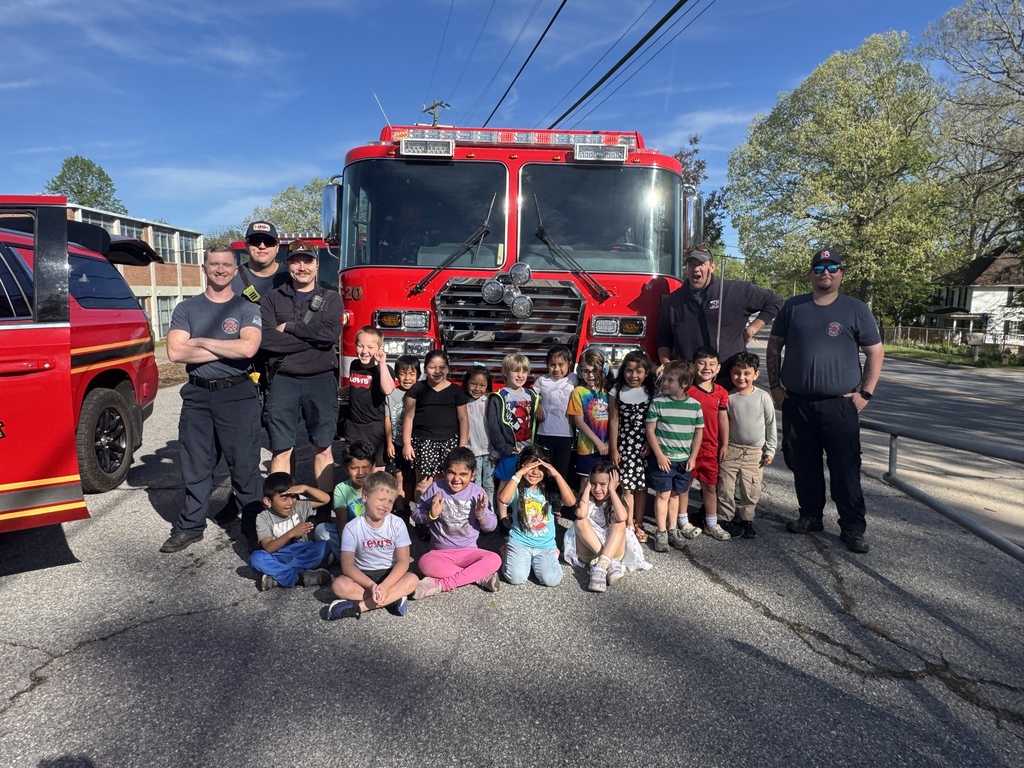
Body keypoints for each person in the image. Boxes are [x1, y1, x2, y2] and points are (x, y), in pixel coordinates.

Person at [767, 249, 884, 554]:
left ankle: (853, 527)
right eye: (819, 267)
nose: (825, 272)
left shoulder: (855, 309)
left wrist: (865, 393)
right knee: (802, 463)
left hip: (839, 405)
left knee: (844, 467)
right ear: (811, 274)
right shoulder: (793, 307)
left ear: (841, 273)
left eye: (832, 267)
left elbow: (875, 352)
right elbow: (773, 347)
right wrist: (775, 384)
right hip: (798, 402)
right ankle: (810, 516)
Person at [160, 244, 263, 553]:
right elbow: (175, 352)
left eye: (226, 265)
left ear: (235, 270)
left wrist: (202, 340)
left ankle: (256, 529)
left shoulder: (247, 307)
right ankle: (191, 526)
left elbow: (248, 350)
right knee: (196, 465)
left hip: (238, 395)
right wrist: (227, 345)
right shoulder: (186, 308)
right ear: (204, 268)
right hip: (198, 396)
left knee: (245, 467)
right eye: (213, 264)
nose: (220, 269)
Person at [259, 246, 344, 494]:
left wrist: (290, 328)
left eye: (307, 262)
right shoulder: (272, 299)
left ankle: (323, 508)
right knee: (281, 448)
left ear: (317, 265)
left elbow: (330, 336)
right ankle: (282, 511)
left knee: (323, 447)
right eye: (296, 262)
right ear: (288, 266)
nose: (302, 267)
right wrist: (312, 340)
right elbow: (265, 340)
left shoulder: (331, 299)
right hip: (282, 380)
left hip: (321, 381)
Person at [656, 244, 783, 384]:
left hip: (731, 382)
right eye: (691, 264)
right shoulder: (673, 302)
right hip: (690, 383)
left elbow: (775, 301)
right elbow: (664, 338)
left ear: (712, 266)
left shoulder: (734, 291)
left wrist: (752, 328)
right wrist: (666, 364)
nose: (696, 269)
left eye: (701, 264)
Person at [325, 471, 419, 620]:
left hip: (390, 574)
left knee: (412, 579)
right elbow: (347, 566)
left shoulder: (397, 523)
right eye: (381, 499)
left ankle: (359, 607)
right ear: (365, 496)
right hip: (363, 576)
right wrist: (371, 586)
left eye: (390, 501)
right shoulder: (352, 527)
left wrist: (386, 585)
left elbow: (403, 561)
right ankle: (392, 599)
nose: (386, 505)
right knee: (338, 585)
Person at [409, 447, 501, 599]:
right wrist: (431, 515)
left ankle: (440, 584)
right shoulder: (436, 488)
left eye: (463, 474)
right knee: (424, 563)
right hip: (440, 552)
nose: (456, 479)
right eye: (452, 472)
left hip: (470, 551)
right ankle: (478, 577)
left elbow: (491, 526)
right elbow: (416, 514)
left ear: (473, 475)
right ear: (445, 471)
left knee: (495, 560)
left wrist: (481, 515)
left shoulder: (478, 492)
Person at [645, 359, 704, 553]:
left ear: (684, 383)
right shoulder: (658, 403)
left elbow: (698, 433)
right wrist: (659, 455)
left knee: (676, 494)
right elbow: (650, 430)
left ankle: (673, 528)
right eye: (664, 379)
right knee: (662, 494)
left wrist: (693, 457)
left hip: (684, 460)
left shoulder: (695, 406)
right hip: (664, 459)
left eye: (670, 380)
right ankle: (661, 531)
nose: (664, 383)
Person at [563, 462, 651, 592]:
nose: (597, 489)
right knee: (579, 522)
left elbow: (622, 517)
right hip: (589, 550)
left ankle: (601, 566)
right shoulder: (587, 500)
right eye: (593, 483)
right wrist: (587, 489)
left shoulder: (617, 500)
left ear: (613, 484)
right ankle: (607, 563)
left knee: (620, 523)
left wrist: (612, 490)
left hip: (614, 550)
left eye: (603, 484)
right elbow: (581, 514)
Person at [717, 352, 776, 539]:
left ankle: (746, 520)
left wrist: (770, 449)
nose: (741, 378)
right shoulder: (729, 397)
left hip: (754, 452)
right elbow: (723, 424)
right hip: (732, 448)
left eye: (746, 373)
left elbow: (770, 424)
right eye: (736, 373)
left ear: (755, 374)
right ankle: (725, 518)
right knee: (725, 486)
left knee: (751, 488)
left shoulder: (763, 397)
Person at [499, 445, 577, 586]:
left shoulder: (547, 488)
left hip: (545, 544)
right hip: (520, 541)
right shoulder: (516, 486)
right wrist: (518, 474)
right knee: (516, 578)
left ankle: (545, 557)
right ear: (523, 466)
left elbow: (571, 501)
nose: (535, 472)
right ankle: (507, 552)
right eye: (531, 467)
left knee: (552, 580)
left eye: (540, 468)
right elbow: (503, 499)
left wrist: (557, 474)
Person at [402, 349, 469, 499]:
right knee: (423, 483)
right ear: (425, 369)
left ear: (448, 369)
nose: (437, 371)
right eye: (432, 367)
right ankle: (422, 519)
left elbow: (463, 419)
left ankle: (440, 518)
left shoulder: (456, 391)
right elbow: (408, 417)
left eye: (442, 367)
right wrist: (407, 444)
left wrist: (462, 446)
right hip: (423, 442)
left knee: (444, 482)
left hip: (449, 443)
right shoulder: (417, 389)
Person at [250, 472, 332, 591]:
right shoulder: (263, 518)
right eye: (284, 498)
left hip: (301, 550)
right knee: (256, 558)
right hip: (278, 556)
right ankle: (300, 578)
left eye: (293, 496)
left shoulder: (298, 506)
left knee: (324, 546)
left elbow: (326, 499)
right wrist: (291, 533)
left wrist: (305, 488)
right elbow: (268, 547)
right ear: (268, 501)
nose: (290, 502)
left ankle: (277, 577)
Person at [487, 353, 542, 526]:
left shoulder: (532, 395)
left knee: (528, 481)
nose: (520, 375)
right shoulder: (499, 396)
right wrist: (503, 447)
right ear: (504, 372)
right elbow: (494, 425)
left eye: (524, 371)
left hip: (528, 449)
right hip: (511, 449)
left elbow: (536, 420)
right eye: (515, 371)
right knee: (505, 481)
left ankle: (523, 513)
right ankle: (503, 516)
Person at [608, 350, 655, 542]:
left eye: (639, 371)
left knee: (642, 487)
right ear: (623, 371)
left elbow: (655, 421)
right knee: (627, 487)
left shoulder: (651, 392)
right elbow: (613, 420)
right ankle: (628, 524)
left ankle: (640, 522)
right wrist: (613, 448)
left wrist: (651, 443)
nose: (633, 376)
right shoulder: (616, 391)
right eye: (629, 371)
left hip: (644, 445)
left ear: (646, 373)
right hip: (624, 445)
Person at [685, 347, 731, 541]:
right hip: (686, 449)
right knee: (683, 487)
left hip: (710, 448)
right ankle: (681, 522)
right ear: (694, 366)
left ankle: (711, 523)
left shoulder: (721, 392)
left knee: (710, 487)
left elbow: (723, 419)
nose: (707, 367)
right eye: (702, 363)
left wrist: (724, 444)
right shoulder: (686, 389)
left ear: (718, 368)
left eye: (712, 364)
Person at [341, 326, 395, 470]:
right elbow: (355, 387)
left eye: (370, 347)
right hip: (353, 426)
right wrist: (336, 392)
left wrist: (382, 363)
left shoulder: (384, 370)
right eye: (360, 346)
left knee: (376, 471)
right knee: (355, 469)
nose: (364, 351)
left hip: (375, 428)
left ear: (380, 348)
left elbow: (388, 389)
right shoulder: (354, 365)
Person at [315, 439, 375, 562]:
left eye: (365, 467)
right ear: (346, 470)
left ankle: (339, 557)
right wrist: (347, 552)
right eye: (355, 468)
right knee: (321, 530)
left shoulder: (379, 486)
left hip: (374, 536)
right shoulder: (341, 489)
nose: (360, 473)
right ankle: (348, 559)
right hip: (350, 535)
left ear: (373, 467)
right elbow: (342, 523)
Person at [566, 347, 610, 499]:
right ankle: (582, 513)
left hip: (607, 446)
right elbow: (579, 422)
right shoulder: (578, 392)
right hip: (587, 447)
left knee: (605, 481)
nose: (590, 375)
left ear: (604, 369)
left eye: (594, 371)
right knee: (586, 481)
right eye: (585, 371)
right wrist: (598, 442)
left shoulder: (609, 391)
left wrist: (610, 442)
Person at [531, 344, 578, 482]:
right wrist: (538, 404)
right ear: (547, 365)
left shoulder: (573, 379)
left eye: (561, 364)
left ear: (569, 364)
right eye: (552, 365)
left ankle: (559, 500)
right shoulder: (542, 381)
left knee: (561, 471)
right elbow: (532, 395)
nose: (557, 369)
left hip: (565, 435)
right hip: (545, 433)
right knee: (544, 470)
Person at [384, 355, 421, 517]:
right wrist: (389, 443)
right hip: (396, 444)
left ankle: (409, 504)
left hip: (415, 445)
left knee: (412, 477)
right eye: (403, 373)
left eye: (411, 374)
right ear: (397, 375)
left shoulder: (421, 393)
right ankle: (400, 510)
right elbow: (387, 420)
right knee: (397, 477)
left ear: (418, 375)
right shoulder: (391, 395)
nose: (407, 378)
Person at [462, 366, 495, 507]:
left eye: (482, 385)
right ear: (466, 383)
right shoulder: (462, 402)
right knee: (474, 483)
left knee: (489, 484)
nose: (477, 388)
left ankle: (490, 513)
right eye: (473, 383)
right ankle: (474, 512)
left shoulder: (490, 401)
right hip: (471, 451)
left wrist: (496, 450)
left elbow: (496, 427)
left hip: (490, 451)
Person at [231, 220, 288, 302]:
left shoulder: (291, 277)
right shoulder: (231, 277)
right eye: (255, 241)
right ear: (246, 245)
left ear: (277, 247)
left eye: (269, 241)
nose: (262, 246)